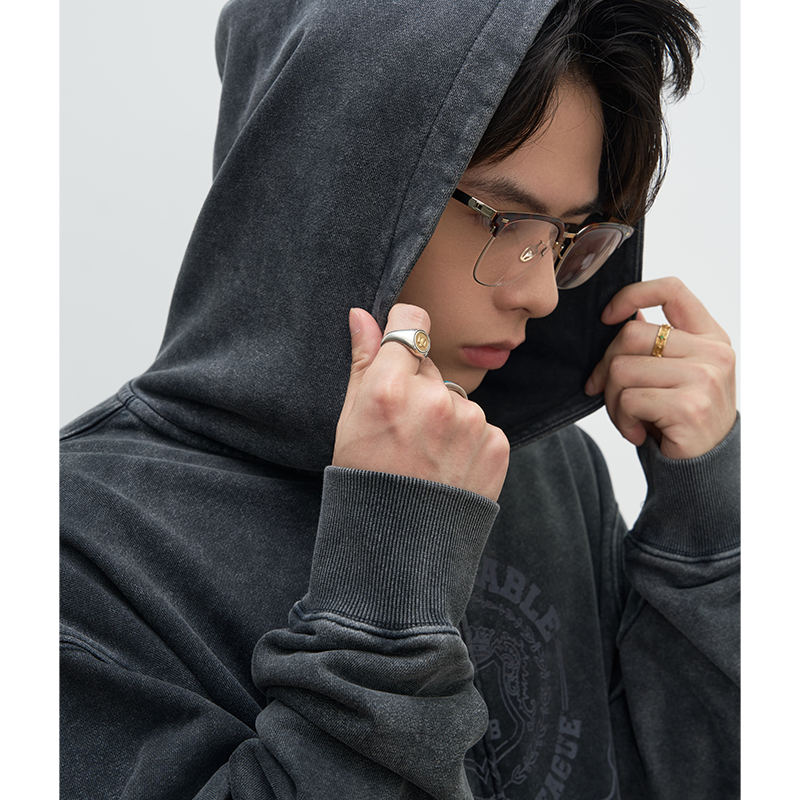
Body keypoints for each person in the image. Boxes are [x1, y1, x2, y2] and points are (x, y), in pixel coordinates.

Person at [60, 0, 740, 798]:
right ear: (331, 184)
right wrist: (387, 595)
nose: (542, 293)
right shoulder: (79, 542)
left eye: (566, 235)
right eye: (503, 220)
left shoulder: (548, 469)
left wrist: (706, 529)